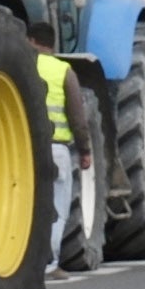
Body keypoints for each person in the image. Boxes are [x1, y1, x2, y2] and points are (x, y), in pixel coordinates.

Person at [30, 20, 92, 270]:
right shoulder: (63, 70)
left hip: (27, 151)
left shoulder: (23, 66)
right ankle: (50, 264)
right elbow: (77, 117)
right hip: (57, 150)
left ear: (31, 41)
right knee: (57, 210)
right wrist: (85, 149)